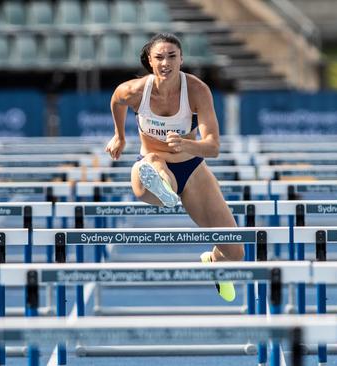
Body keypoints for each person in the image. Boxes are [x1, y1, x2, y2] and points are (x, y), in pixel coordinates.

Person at [104, 33, 244, 302]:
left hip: (192, 169)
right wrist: (119, 136)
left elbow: (213, 147)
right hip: (148, 164)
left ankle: (213, 261)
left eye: (171, 56)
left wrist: (186, 145)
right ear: (149, 60)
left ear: (181, 59)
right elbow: (116, 101)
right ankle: (159, 176)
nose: (165, 62)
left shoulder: (197, 91)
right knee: (153, 167)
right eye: (159, 57)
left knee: (235, 251)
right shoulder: (134, 91)